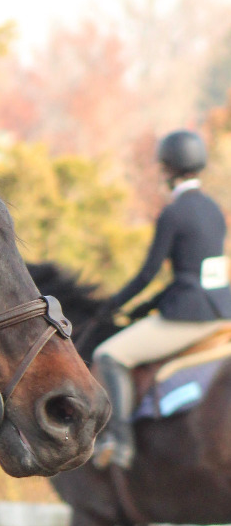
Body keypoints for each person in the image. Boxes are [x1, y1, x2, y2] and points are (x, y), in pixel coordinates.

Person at [91, 129, 231, 470]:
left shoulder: (173, 213)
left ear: (167, 168)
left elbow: (147, 274)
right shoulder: (213, 209)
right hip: (221, 310)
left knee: (108, 355)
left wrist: (112, 305)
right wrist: (148, 307)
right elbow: (195, 274)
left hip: (190, 318)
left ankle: (120, 442)